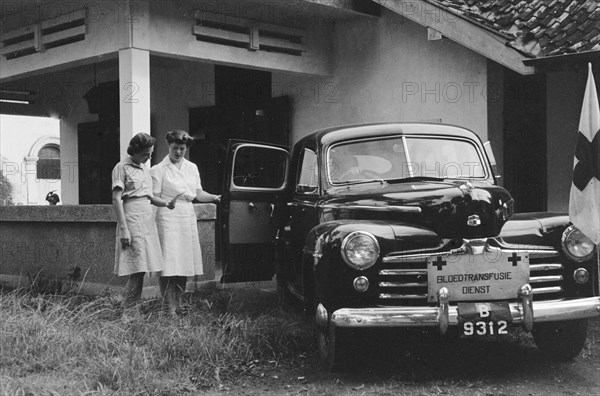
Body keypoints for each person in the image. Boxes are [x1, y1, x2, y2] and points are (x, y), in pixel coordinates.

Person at [151, 129, 220, 315]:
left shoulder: (192, 167)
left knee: (183, 263)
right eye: (175, 148)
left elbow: (198, 193)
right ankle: (168, 307)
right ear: (168, 146)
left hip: (186, 216)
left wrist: (214, 196)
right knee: (169, 264)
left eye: (182, 148)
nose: (178, 152)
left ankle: (179, 304)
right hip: (166, 217)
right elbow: (154, 198)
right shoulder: (158, 170)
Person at [111, 132, 178, 311]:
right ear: (134, 150)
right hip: (132, 219)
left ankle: (130, 309)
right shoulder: (121, 167)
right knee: (137, 268)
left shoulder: (145, 169)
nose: (149, 157)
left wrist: (166, 203)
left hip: (147, 220)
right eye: (145, 154)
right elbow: (117, 199)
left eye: (150, 153)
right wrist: (124, 229)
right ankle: (128, 311)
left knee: (142, 267)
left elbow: (149, 197)